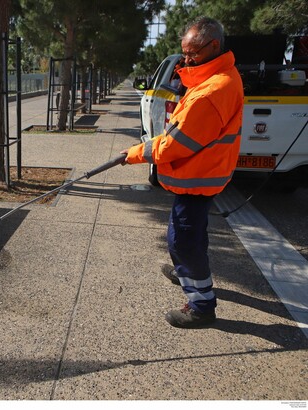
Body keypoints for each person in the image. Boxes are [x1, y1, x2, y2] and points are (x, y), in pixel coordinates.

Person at [121, 17, 244, 328]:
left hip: (198, 179)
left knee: (183, 242)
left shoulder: (212, 91)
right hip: (204, 174)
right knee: (193, 235)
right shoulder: (216, 77)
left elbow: (174, 145)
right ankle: (186, 272)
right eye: (184, 53)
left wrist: (135, 153)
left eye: (193, 54)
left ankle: (201, 305)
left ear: (214, 46)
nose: (186, 60)